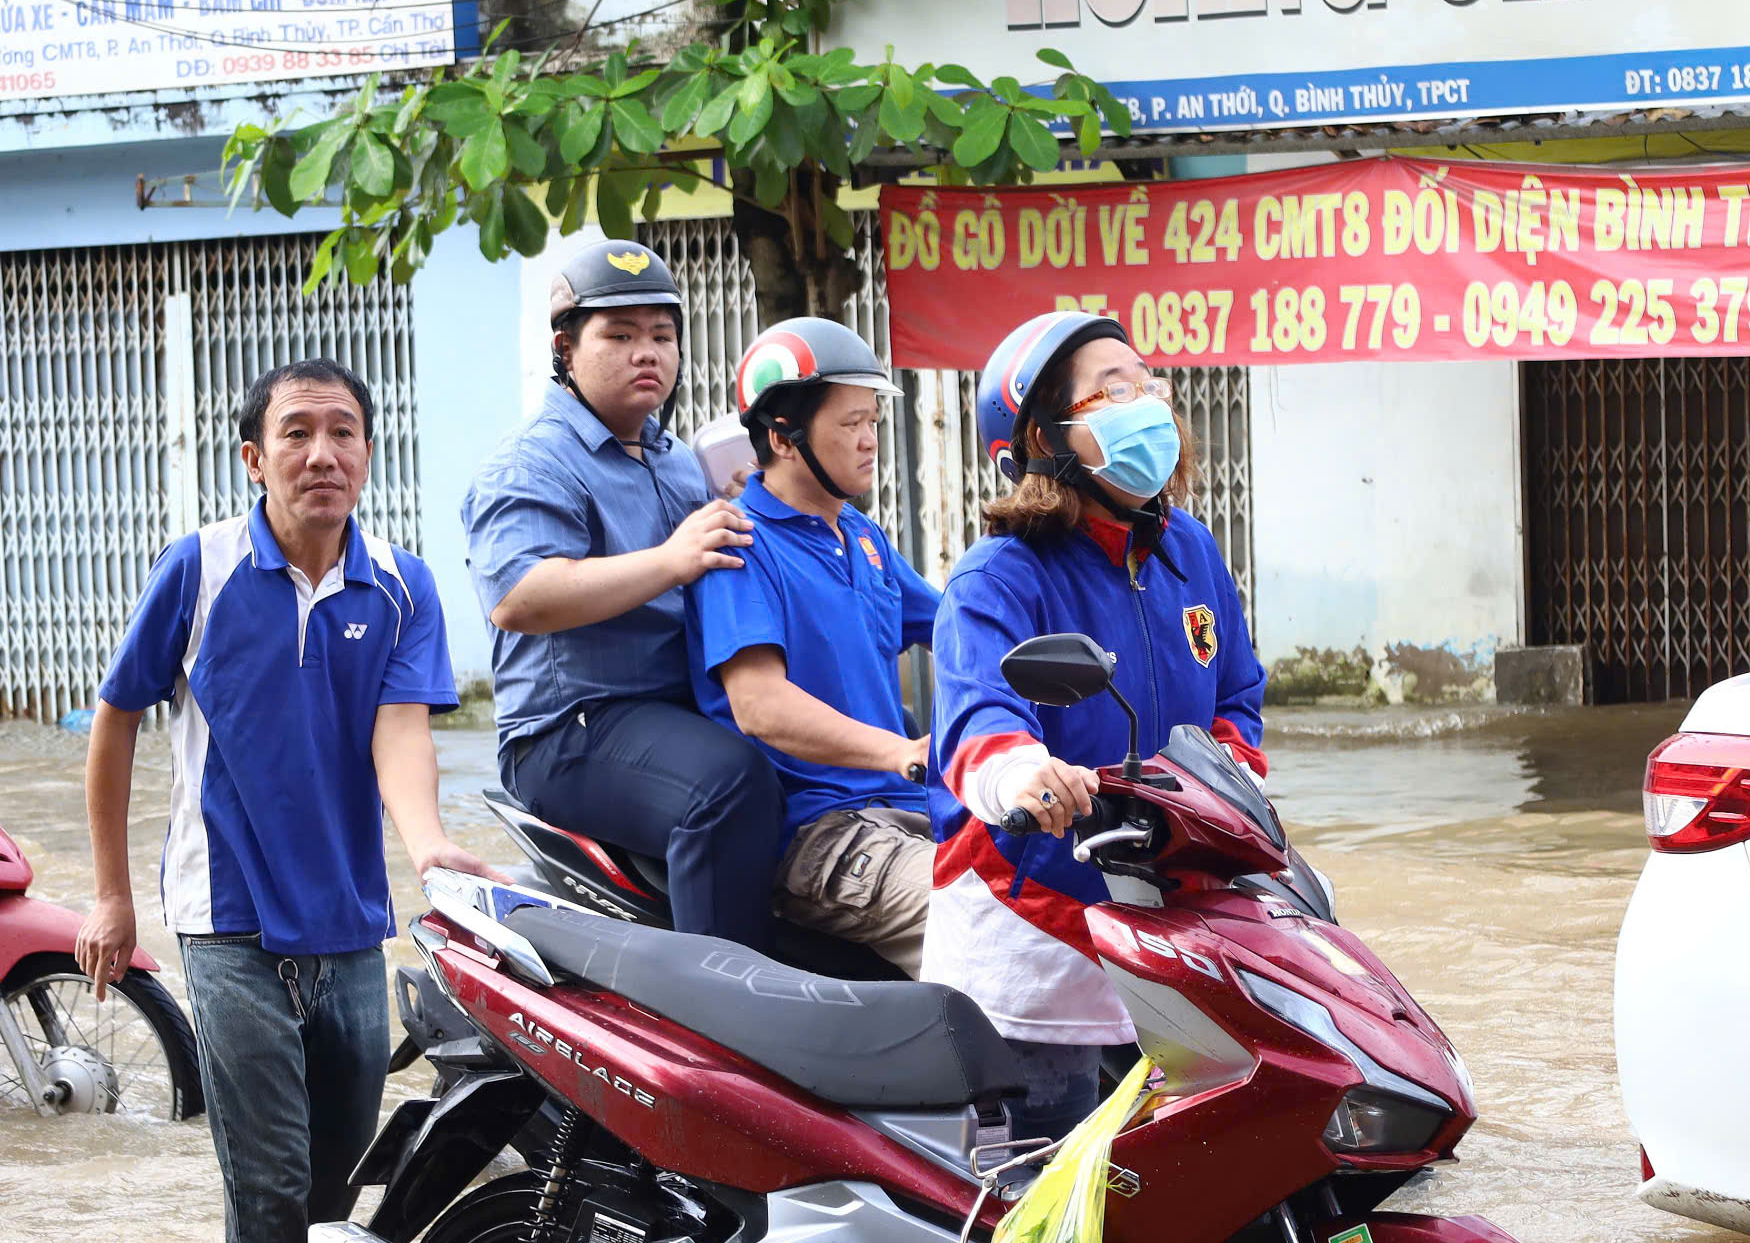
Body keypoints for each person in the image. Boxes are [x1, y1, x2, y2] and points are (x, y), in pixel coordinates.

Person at [73, 359, 497, 1243]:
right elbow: (116, 719)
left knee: (333, 1180)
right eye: (297, 433)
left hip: (349, 921)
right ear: (255, 458)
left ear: (366, 452)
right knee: (267, 1177)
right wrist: (110, 894)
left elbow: (400, 734)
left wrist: (429, 844)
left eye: (342, 431)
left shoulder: (400, 583)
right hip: (223, 918)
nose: (322, 453)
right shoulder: (202, 569)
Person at [927, 311, 1265, 1141]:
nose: (1143, 402)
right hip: (1036, 912)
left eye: (1145, 383)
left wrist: (1223, 779)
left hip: (1170, 903)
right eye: (1109, 392)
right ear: (1045, 437)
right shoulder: (998, 576)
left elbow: (1239, 695)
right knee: (1037, 1204)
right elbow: (976, 715)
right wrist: (1020, 773)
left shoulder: (1189, 549)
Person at [463, 238, 783, 948]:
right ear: (565, 350)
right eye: (621, 334)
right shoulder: (533, 460)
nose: (649, 353)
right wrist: (672, 559)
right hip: (571, 728)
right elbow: (522, 594)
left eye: (662, 336)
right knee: (729, 786)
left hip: (676, 708)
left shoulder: (677, 460)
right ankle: (722, 1016)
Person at [686, 318, 939, 976]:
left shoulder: (860, 535)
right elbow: (759, 705)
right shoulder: (740, 546)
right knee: (986, 922)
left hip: (918, 811)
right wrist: (903, 752)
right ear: (782, 437)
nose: (870, 441)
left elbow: (963, 630)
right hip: (827, 836)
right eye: (850, 424)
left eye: (874, 422)